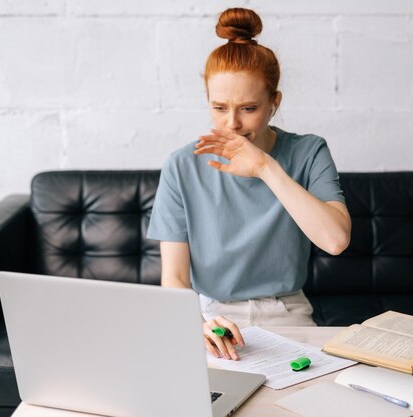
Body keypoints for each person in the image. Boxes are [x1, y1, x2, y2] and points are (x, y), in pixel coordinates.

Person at [147, 8, 351, 361]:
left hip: (288, 312)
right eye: (219, 107)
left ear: (275, 103)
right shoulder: (182, 165)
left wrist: (264, 167)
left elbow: (335, 240)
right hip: (213, 315)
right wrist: (195, 324)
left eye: (249, 108)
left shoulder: (308, 151)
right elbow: (175, 278)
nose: (232, 124)